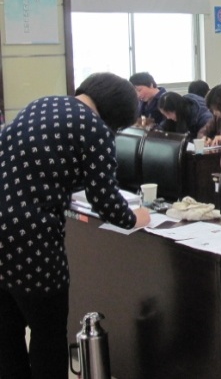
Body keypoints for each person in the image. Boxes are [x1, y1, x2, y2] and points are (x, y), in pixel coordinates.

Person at [0, 73, 151, 379]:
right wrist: (136, 217)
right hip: (33, 242)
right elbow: (104, 199)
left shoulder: (42, 104)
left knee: (7, 333)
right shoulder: (94, 127)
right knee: (48, 334)